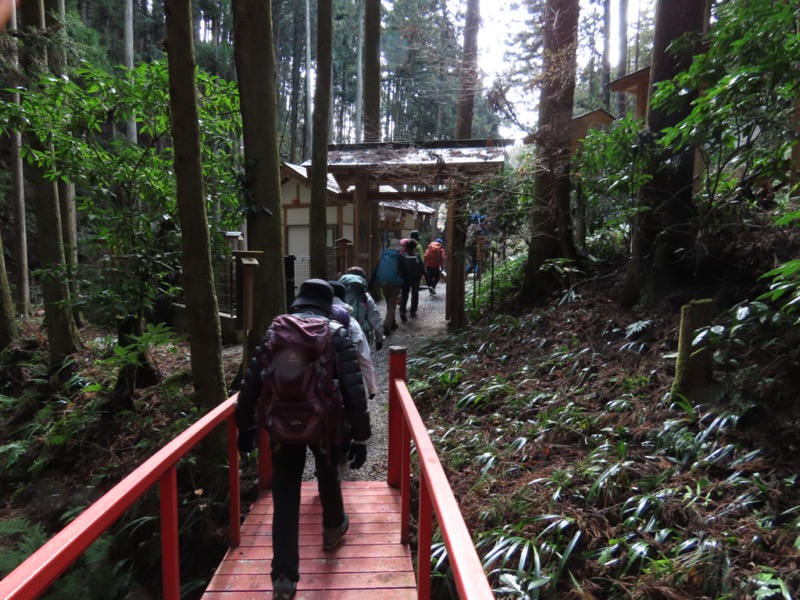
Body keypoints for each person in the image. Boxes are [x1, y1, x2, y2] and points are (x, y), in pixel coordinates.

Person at [235, 279, 371, 600]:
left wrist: (245, 427)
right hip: (325, 423)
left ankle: (283, 577)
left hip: (281, 424)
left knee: (285, 492)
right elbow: (353, 390)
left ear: (298, 302)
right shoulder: (336, 334)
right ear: (327, 305)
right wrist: (361, 438)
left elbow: (251, 384)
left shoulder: (275, 332)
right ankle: (333, 527)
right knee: (327, 474)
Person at [328, 280, 379, 400]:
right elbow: (363, 356)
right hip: (345, 378)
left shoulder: (313, 319)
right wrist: (371, 387)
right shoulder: (349, 321)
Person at [341, 266, 385, 349]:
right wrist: (379, 339)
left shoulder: (339, 294)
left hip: (341, 335)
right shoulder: (365, 296)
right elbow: (375, 318)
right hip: (361, 335)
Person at [371, 238, 405, 335]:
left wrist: (372, 284)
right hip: (395, 284)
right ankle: (386, 325)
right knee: (392, 304)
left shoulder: (383, 256)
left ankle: (393, 323)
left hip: (383, 283)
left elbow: (376, 270)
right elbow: (405, 271)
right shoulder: (400, 257)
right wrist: (406, 284)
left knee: (389, 303)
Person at [398, 238, 424, 322]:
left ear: (406, 246)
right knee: (415, 294)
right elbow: (422, 268)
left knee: (404, 295)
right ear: (415, 247)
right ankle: (413, 311)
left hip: (405, 278)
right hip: (416, 278)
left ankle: (402, 311)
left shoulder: (403, 256)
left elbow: (399, 268)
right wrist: (425, 276)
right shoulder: (417, 256)